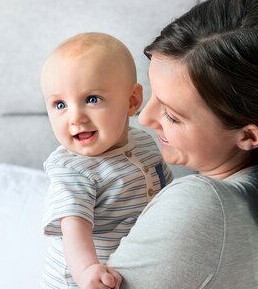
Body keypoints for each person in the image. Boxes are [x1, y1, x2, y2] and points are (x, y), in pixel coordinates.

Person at [105, 0, 258, 288]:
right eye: (153, 94)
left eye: (172, 115)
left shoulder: (202, 205)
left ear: (249, 135)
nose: (144, 118)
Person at [39, 32, 172, 288]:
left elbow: (165, 193)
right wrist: (87, 270)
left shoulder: (144, 143)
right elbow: (74, 229)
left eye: (92, 99)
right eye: (59, 105)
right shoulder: (73, 170)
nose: (75, 117)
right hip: (80, 281)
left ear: (132, 101)